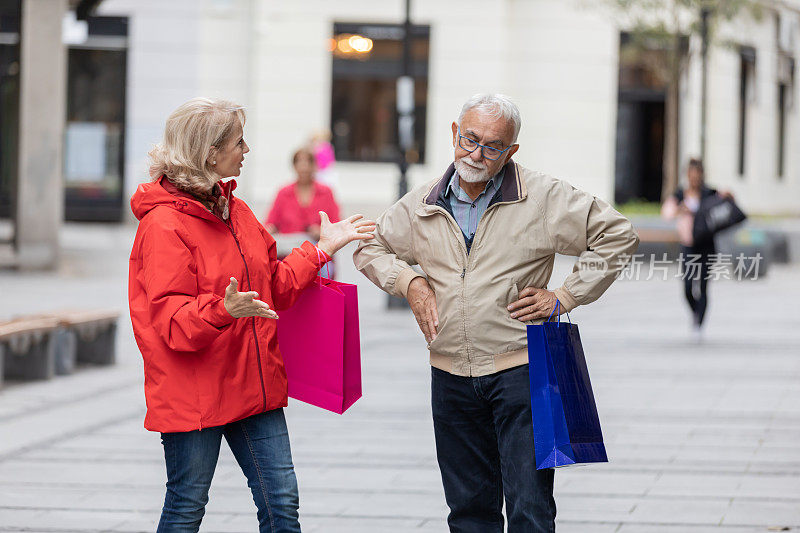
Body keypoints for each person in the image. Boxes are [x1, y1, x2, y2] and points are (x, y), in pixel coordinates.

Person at [353, 93, 639, 533]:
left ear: (511, 151)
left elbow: (617, 234)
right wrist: (409, 283)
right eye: (470, 139)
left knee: (530, 509)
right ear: (454, 134)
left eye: (492, 146)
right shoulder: (422, 204)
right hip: (449, 376)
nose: (477, 154)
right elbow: (371, 247)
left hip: (521, 370)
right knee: (468, 513)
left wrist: (565, 295)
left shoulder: (542, 197)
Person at [128, 97, 375, 533]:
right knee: (186, 505)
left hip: (253, 386)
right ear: (209, 152)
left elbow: (275, 284)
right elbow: (170, 323)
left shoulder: (236, 211)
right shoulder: (163, 225)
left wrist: (321, 249)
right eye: (239, 142)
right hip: (196, 395)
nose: (247, 150)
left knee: (282, 504)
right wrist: (223, 310)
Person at [661, 158, 732, 339]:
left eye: (697, 175)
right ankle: (695, 313)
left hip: (707, 245)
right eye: (691, 175)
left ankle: (699, 323)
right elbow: (666, 213)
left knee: (703, 286)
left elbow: (725, 203)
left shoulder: (709, 193)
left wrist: (728, 196)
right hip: (688, 245)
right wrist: (680, 210)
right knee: (687, 286)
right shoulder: (680, 194)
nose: (694, 179)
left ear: (701, 175)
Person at [264, 147, 341, 242]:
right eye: (299, 162)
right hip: (289, 252)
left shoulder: (326, 192)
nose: (304, 167)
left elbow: (336, 225)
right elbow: (271, 223)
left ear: (314, 165)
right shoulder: (284, 193)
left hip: (319, 251)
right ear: (294, 166)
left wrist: (321, 231)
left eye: (308, 162)